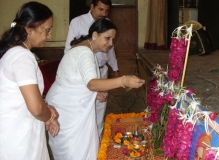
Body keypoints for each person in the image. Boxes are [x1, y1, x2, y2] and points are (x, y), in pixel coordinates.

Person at [46, 18, 145, 160]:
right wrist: (123, 80)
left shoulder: (84, 49)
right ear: (94, 35)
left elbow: (78, 78)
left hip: (67, 105)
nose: (111, 43)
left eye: (112, 39)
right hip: (67, 110)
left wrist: (96, 91)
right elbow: (91, 83)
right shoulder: (84, 52)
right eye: (107, 38)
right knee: (74, 153)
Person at [0, 2, 59, 160]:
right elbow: (36, 108)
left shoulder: (14, 53)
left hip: (18, 132)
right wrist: (50, 116)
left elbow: (24, 98)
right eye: (47, 30)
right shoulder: (22, 57)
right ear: (29, 29)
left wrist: (46, 108)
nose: (49, 35)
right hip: (19, 139)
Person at [65, 0, 119, 138]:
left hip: (101, 71)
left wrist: (115, 68)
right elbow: (68, 50)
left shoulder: (107, 23)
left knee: (100, 109)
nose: (104, 13)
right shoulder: (77, 22)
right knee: (84, 110)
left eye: (107, 11)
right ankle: (85, 139)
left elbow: (110, 50)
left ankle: (98, 143)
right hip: (81, 76)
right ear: (92, 7)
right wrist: (123, 81)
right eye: (101, 9)